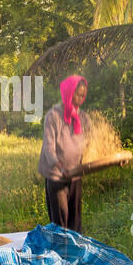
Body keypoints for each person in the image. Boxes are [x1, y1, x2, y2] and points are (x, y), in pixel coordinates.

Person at [38, 75, 88, 233]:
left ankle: (73, 254)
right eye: (77, 94)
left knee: (75, 221)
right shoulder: (53, 116)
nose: (80, 98)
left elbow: (90, 143)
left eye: (82, 95)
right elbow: (48, 147)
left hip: (75, 174)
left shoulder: (83, 118)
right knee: (61, 221)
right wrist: (58, 165)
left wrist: (111, 160)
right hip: (57, 175)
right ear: (68, 93)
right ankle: (60, 254)